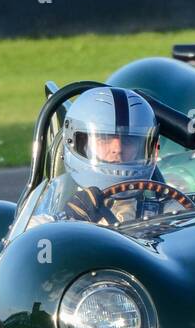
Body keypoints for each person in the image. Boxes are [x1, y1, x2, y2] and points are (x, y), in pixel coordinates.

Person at [59, 86, 169, 224]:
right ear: (77, 143)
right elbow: (30, 235)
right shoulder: (50, 216)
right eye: (104, 139)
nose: (117, 149)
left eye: (128, 141)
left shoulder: (168, 212)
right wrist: (66, 221)